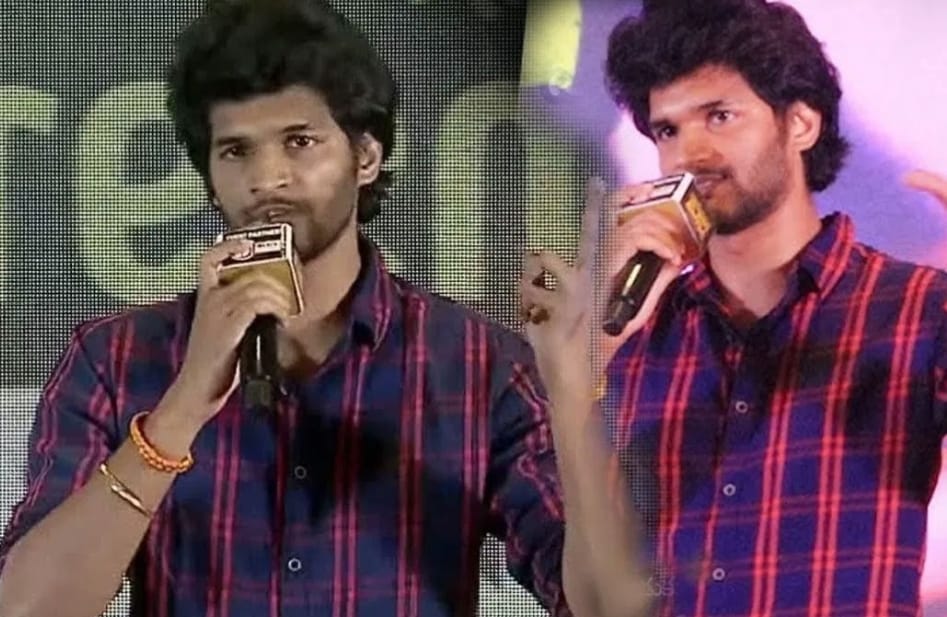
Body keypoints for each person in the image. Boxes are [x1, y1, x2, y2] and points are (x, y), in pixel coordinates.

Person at [0, 1, 650, 616]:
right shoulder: (115, 358)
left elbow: (607, 606)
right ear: (209, 174)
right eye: (236, 151)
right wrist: (184, 405)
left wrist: (571, 399)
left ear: (365, 156)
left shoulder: (477, 364)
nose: (267, 178)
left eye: (300, 141)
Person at [518, 0, 947, 615]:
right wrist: (576, 374)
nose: (688, 153)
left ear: (800, 124)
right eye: (667, 131)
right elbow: (593, 602)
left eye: (719, 116)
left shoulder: (915, 308)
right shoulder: (633, 334)